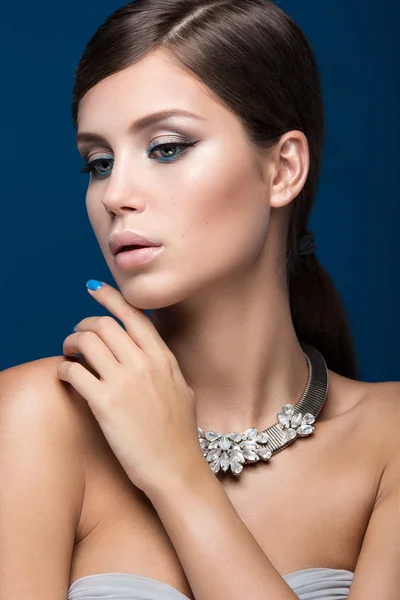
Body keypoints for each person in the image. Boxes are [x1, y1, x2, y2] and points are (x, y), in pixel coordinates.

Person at [0, 1, 398, 599]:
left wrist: (179, 474)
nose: (115, 195)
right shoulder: (36, 420)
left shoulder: (388, 439)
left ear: (282, 169)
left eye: (165, 147)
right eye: (99, 162)